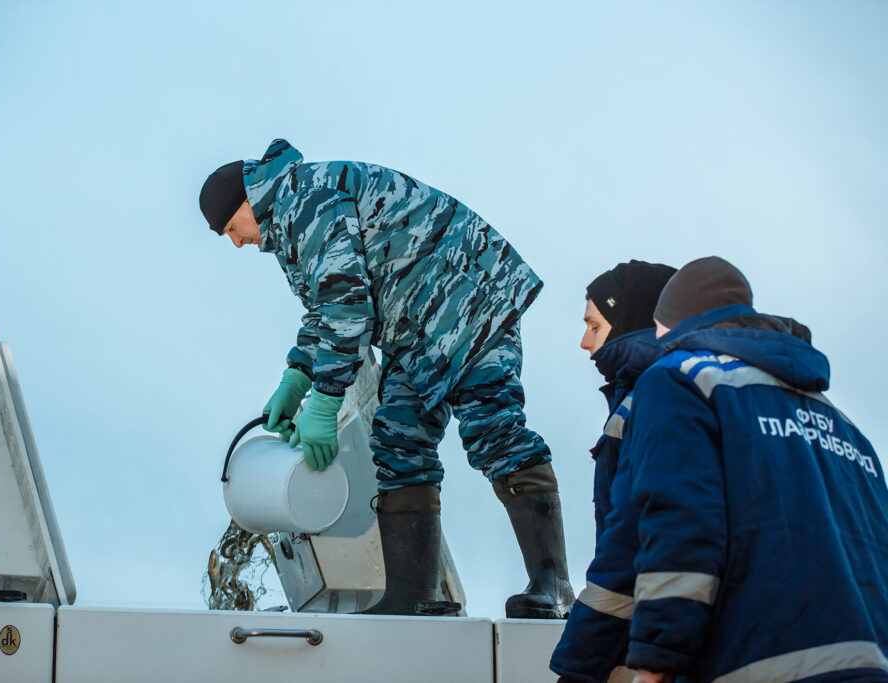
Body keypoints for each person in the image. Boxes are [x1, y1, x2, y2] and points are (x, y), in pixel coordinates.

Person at [198, 139, 573, 618]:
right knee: (398, 437)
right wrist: (295, 380)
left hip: (467, 300)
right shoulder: (291, 215)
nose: (237, 241)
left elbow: (347, 309)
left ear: (248, 200)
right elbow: (324, 310)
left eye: (233, 227)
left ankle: (554, 584)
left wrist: (325, 401)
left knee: (493, 428)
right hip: (417, 324)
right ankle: (414, 598)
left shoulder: (307, 200)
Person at [576, 256, 888, 682]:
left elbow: (676, 535)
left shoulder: (675, 383)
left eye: (593, 326)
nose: (584, 343)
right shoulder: (844, 427)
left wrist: (641, 664)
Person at [550, 260, 675, 682]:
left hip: (651, 645)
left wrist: (579, 664)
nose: (585, 342)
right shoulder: (644, 398)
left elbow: (631, 547)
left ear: (630, 323)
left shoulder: (651, 403)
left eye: (595, 326)